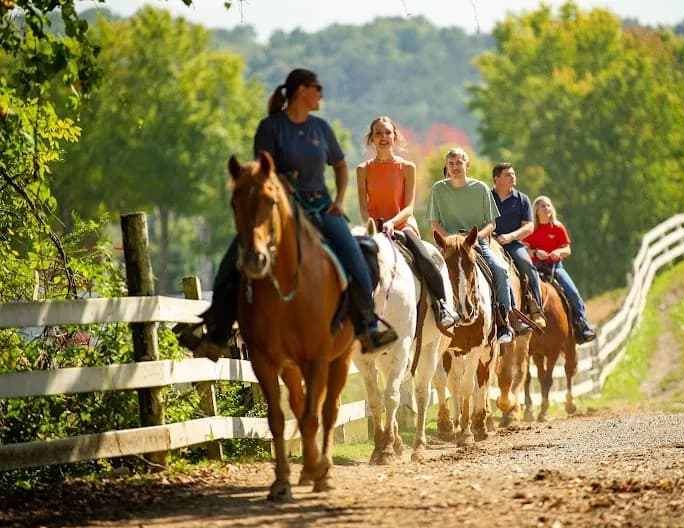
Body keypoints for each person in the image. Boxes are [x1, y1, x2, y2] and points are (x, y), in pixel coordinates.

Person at [180, 68, 397, 358]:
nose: (321, 94)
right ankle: (216, 332)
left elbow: (341, 165)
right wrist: (283, 184)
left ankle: (367, 326)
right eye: (317, 88)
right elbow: (263, 174)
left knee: (357, 255)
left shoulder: (321, 128)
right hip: (281, 209)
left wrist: (340, 200)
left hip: (321, 207)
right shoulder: (270, 128)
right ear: (301, 91)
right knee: (234, 259)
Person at [355, 116, 458, 329]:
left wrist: (392, 223)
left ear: (395, 136)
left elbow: (409, 207)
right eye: (378, 133)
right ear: (371, 139)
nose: (384, 137)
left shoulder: (407, 167)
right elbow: (364, 207)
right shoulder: (362, 169)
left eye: (387, 133)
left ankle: (442, 305)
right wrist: (372, 225)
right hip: (374, 228)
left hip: (402, 225)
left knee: (424, 258)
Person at [427, 147, 518, 344]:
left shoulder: (481, 188)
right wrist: (449, 241)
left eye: (459, 163)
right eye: (451, 164)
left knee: (501, 271)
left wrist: (476, 238)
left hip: (474, 242)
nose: (454, 167)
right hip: (449, 245)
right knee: (428, 273)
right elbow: (434, 223)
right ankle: (434, 319)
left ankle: (505, 322)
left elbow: (491, 223)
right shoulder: (438, 189)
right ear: (446, 167)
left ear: (467, 165)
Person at [523, 195, 596, 343]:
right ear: (536, 210)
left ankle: (583, 325)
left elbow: (567, 249)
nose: (547, 208)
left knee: (573, 292)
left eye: (549, 205)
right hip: (535, 268)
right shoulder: (531, 229)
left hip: (555, 267)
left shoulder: (557, 227)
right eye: (543, 206)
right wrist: (536, 253)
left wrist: (558, 252)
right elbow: (524, 249)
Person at [491, 163, 546, 329]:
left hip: (513, 244)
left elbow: (529, 226)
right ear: (497, 179)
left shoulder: (522, 199)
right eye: (508, 174)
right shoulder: (486, 197)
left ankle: (536, 310)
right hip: (489, 242)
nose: (513, 177)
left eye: (513, 174)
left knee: (527, 266)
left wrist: (510, 237)